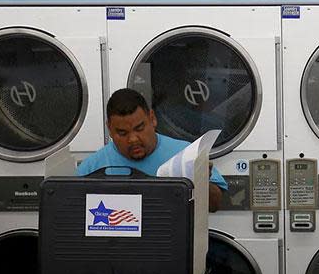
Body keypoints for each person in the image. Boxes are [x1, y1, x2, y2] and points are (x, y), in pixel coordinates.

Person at [77, 88, 227, 212]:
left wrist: (201, 181)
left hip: (172, 245)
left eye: (139, 128)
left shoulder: (185, 154)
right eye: (122, 133)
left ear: (152, 119)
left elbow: (215, 205)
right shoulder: (92, 168)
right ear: (109, 129)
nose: (133, 139)